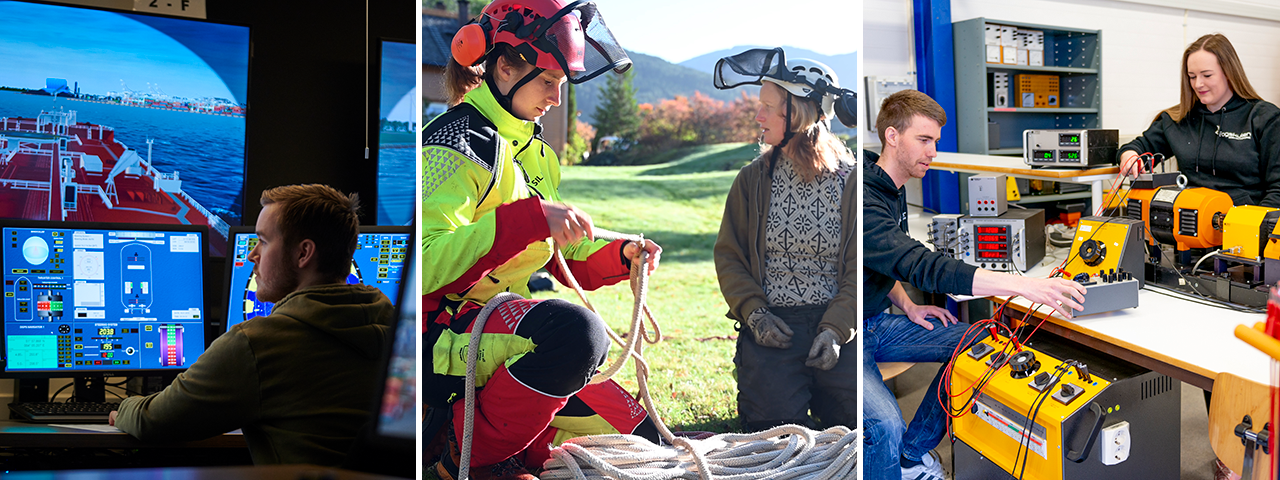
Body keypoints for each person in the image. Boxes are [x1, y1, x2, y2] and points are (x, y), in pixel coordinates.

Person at [421, 0, 661, 478]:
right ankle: (464, 460)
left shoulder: (537, 151)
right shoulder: (452, 140)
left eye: (560, 84)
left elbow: (562, 255)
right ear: (504, 67)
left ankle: (517, 445)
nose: (555, 98)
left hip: (509, 333)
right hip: (445, 336)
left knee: (645, 441)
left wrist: (622, 255)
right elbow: (425, 265)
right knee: (577, 336)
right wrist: (527, 219)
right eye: (548, 81)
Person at [863, 90, 1087, 480]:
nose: (933, 151)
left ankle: (911, 456)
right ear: (892, 137)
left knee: (981, 340)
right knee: (883, 425)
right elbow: (919, 264)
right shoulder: (861, 198)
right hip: (840, 337)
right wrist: (1021, 287)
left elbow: (876, 264)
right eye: (924, 140)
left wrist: (910, 306)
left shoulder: (890, 188)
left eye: (935, 140)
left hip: (876, 322)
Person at [109, 184, 395, 466]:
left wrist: (123, 408)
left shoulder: (257, 344)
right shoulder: (395, 329)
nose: (252, 255)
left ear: (303, 253)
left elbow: (153, 420)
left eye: (263, 241)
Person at [711, 48, 858, 432]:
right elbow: (730, 257)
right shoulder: (752, 180)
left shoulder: (853, 183)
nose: (758, 116)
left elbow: (861, 267)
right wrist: (755, 315)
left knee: (853, 428)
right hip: (773, 325)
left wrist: (836, 329)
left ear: (798, 113)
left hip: (837, 324)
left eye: (768, 106)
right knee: (775, 435)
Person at [1117, 33, 1280, 207]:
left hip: (1244, 225)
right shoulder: (1178, 119)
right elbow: (1138, 148)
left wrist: (1252, 226)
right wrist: (1129, 155)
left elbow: (1277, 190)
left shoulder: (1265, 119)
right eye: (1192, 77)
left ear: (1229, 73)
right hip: (1189, 224)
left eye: (1207, 75)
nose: (1198, 84)